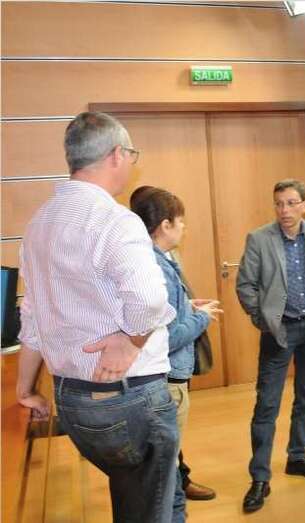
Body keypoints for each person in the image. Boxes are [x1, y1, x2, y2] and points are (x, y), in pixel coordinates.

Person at [16, 112, 181, 522]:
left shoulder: (38, 224)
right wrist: (132, 340)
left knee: (131, 498)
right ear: (116, 155)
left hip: (72, 400)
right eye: (131, 155)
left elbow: (31, 316)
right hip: (129, 399)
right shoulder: (116, 221)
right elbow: (149, 301)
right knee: (151, 509)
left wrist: (24, 388)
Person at [236, 179, 305, 513]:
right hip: (278, 331)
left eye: (292, 203)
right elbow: (245, 285)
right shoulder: (259, 239)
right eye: (279, 203)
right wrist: (263, 319)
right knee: (266, 405)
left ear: (304, 206)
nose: (285, 210)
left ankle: (298, 456)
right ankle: (260, 477)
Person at [130, 186, 222, 507]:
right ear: (165, 225)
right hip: (167, 379)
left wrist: (188, 308)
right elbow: (165, 339)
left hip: (162, 377)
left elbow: (163, 317)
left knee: (163, 463)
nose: (184, 227)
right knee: (165, 471)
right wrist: (202, 319)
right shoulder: (157, 268)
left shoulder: (152, 260)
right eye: (180, 221)